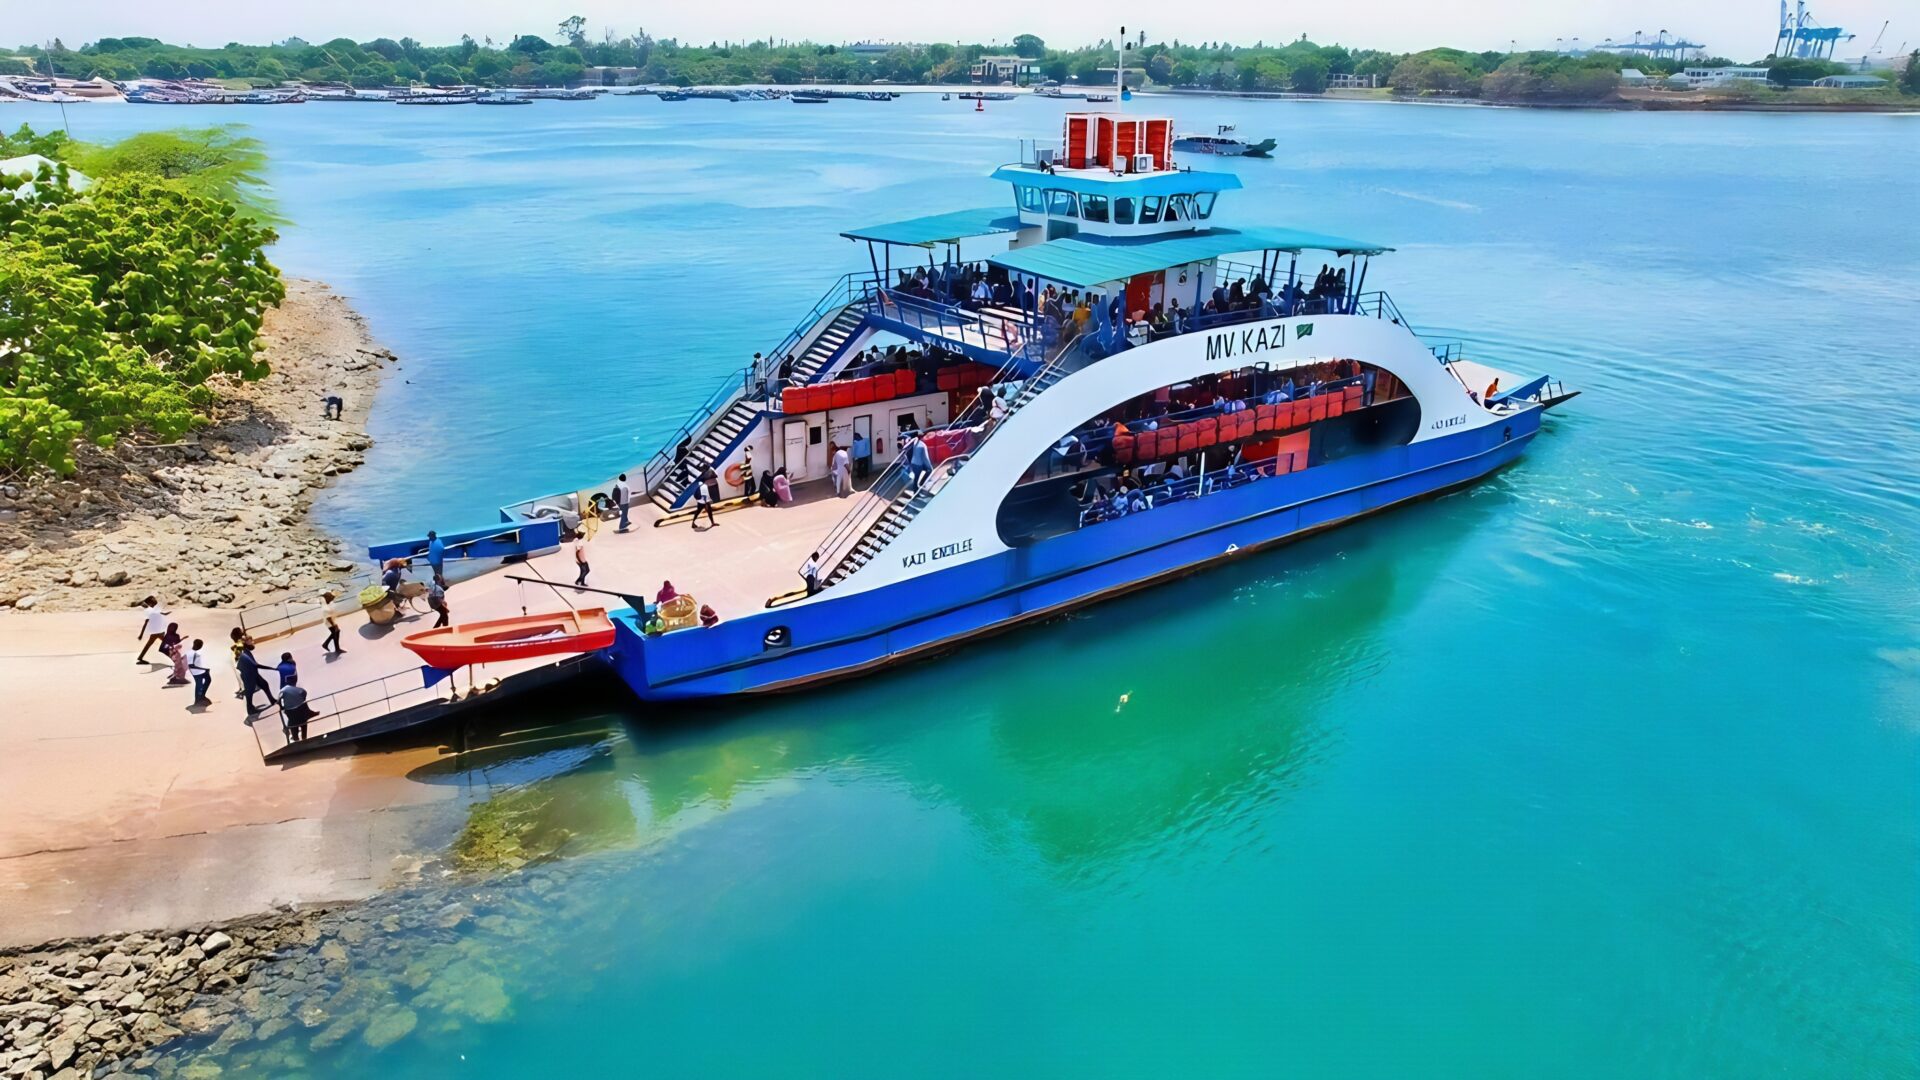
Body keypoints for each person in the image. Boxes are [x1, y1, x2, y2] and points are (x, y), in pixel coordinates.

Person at [237, 644, 272, 714]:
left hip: (253, 673)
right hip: (249, 675)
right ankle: (250, 709)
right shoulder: (244, 654)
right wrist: (272, 668)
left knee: (264, 684)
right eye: (250, 641)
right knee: (249, 692)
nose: (253, 643)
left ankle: (272, 700)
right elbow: (255, 665)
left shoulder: (246, 651)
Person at [135, 596, 170, 664]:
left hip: (158, 631)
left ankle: (140, 657)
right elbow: (146, 623)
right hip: (157, 632)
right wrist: (141, 635)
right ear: (150, 603)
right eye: (153, 600)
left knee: (149, 645)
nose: (155, 600)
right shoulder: (150, 611)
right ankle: (176, 658)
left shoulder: (155, 609)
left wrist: (166, 613)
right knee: (167, 643)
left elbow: (161, 614)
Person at [185, 638, 213, 706]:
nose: (201, 647)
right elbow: (191, 665)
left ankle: (202, 696)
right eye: (200, 645)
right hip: (197, 672)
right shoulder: (191, 653)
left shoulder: (194, 652)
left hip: (200, 671)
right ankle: (198, 699)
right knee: (199, 685)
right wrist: (204, 669)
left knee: (208, 680)